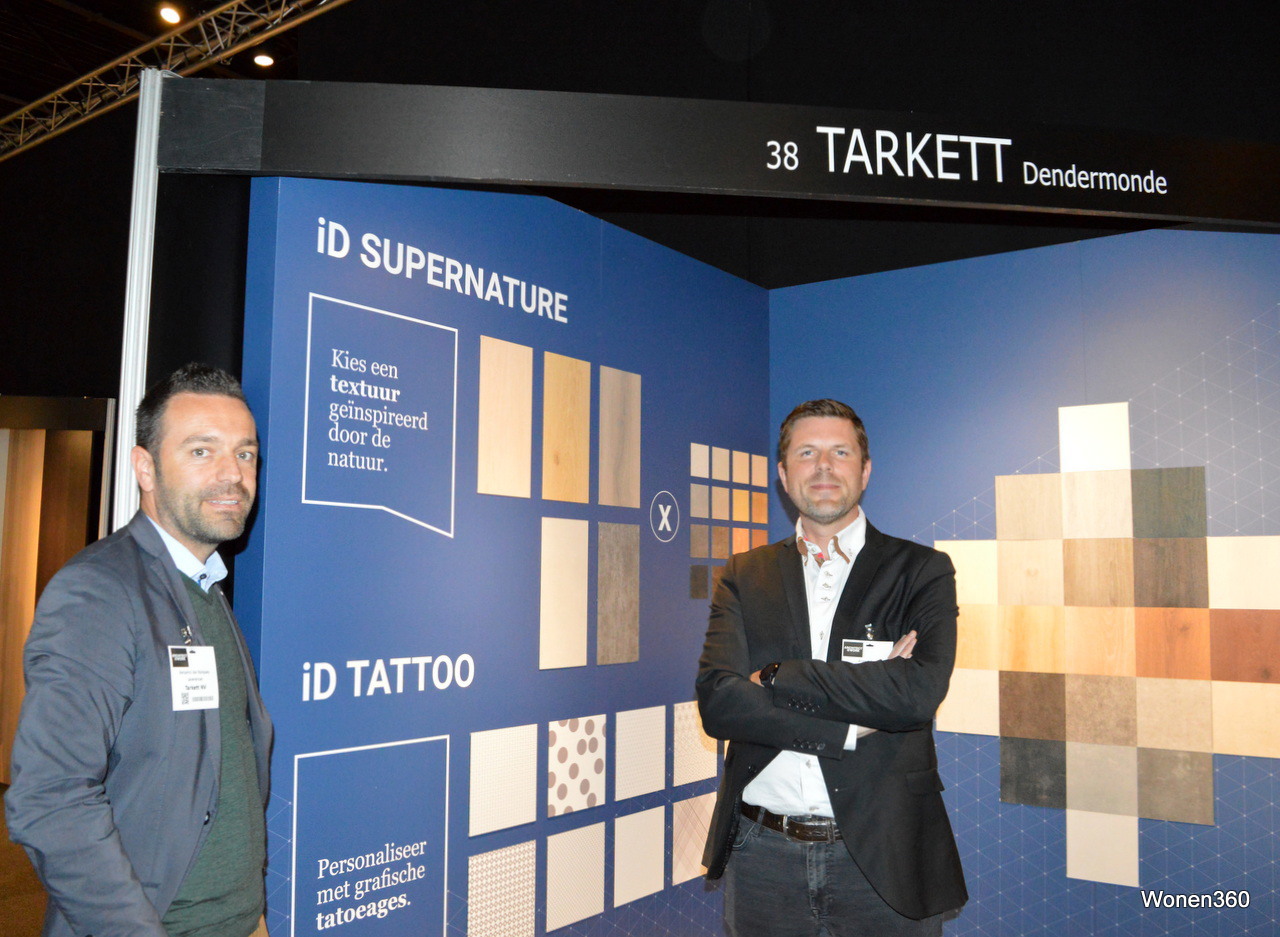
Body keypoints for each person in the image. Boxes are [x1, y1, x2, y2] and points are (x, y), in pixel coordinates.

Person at [7, 363, 273, 937]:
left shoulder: (205, 588)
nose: (233, 474)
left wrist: (249, 915)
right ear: (145, 468)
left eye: (245, 453)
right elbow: (49, 798)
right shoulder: (100, 592)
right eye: (201, 451)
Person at [697, 398, 966, 936]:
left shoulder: (921, 571)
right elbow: (720, 703)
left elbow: (915, 695)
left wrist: (778, 677)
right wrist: (848, 726)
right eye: (807, 453)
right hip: (761, 853)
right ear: (783, 475)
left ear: (865, 471)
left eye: (840, 452)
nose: (823, 466)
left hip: (886, 855)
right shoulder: (744, 574)